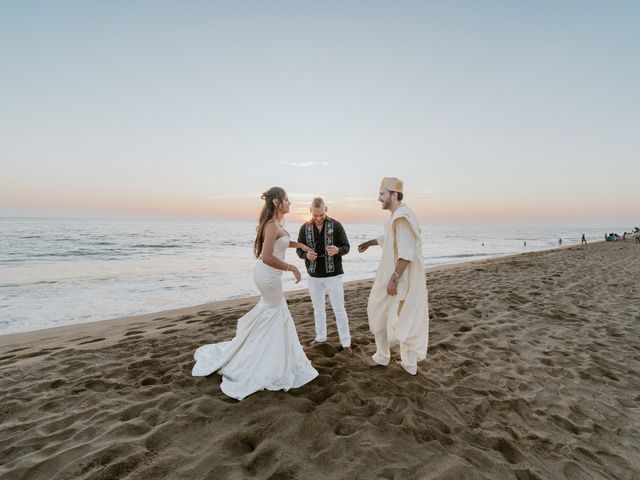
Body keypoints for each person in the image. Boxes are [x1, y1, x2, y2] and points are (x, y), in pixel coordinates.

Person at [192, 187, 318, 400]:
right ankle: (264, 359)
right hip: (268, 275)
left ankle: (269, 352)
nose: (290, 203)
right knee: (275, 312)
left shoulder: (277, 224)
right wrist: (292, 268)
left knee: (273, 312)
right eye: (287, 200)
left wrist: (302, 246)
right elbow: (267, 256)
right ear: (278, 202)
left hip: (268, 275)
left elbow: (282, 242)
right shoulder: (271, 225)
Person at [357, 177, 428, 375]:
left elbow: (406, 252)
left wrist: (394, 279)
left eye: (382, 194)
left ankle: (384, 356)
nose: (379, 198)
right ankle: (407, 363)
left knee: (380, 308)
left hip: (400, 276)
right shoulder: (397, 215)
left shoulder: (402, 217)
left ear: (394, 195)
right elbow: (388, 238)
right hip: (397, 275)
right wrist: (369, 242)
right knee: (404, 314)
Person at [296, 197, 352, 356]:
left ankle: (346, 343)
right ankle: (320, 338)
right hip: (313, 275)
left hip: (333, 275)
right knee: (318, 308)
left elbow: (346, 246)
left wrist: (338, 250)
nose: (319, 218)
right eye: (315, 215)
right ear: (310, 211)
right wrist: (306, 256)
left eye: (321, 215)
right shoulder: (304, 228)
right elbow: (299, 250)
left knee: (339, 309)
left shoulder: (336, 225)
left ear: (326, 209)